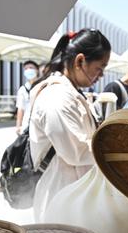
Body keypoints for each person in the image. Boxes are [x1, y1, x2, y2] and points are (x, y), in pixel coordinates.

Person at [29, 29, 110, 221]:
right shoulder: (57, 98)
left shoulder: (70, 92)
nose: (101, 75)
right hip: (60, 198)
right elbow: (75, 151)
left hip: (73, 195)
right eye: (100, 68)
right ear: (80, 61)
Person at [15, 60, 40, 134]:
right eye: (26, 69)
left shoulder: (42, 85)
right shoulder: (22, 89)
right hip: (27, 125)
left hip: (40, 124)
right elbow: (20, 109)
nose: (28, 70)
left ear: (37, 70)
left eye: (31, 67)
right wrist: (18, 126)